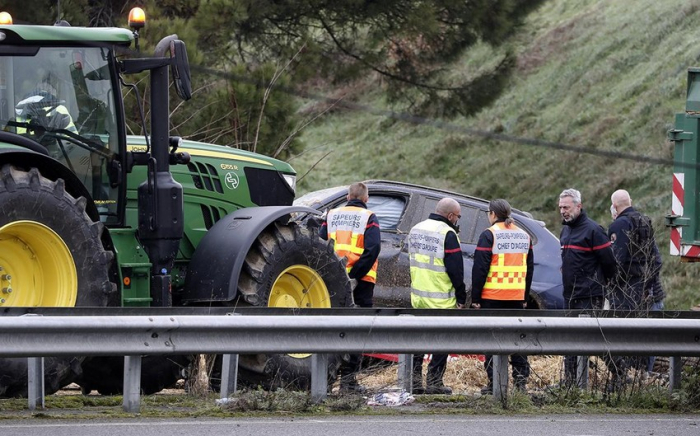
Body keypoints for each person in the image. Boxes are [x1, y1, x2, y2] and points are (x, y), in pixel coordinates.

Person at [320, 181, 381, 393]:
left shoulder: (331, 215)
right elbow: (373, 249)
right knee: (358, 329)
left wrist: (337, 274)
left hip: (331, 280)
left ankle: (324, 379)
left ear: (348, 196)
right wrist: (354, 276)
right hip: (361, 282)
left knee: (330, 327)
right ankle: (348, 380)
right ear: (365, 199)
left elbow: (320, 245)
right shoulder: (369, 217)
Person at [471, 199, 534, 395]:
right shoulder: (524, 236)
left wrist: (476, 298)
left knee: (493, 341)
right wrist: (524, 296)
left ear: (492, 214)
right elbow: (529, 269)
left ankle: (495, 383)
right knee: (517, 340)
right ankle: (520, 382)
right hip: (515, 297)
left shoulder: (489, 235)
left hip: (492, 296)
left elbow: (480, 269)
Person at [407, 197, 467, 395]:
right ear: (450, 216)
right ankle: (434, 382)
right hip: (441, 299)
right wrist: (461, 296)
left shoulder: (417, 228)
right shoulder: (447, 234)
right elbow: (455, 269)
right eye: (457, 217)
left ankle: (414, 382)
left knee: (418, 341)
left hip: (418, 297)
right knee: (442, 341)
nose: (457, 220)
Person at [558, 188, 616, 387]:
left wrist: (600, 284)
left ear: (579, 206)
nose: (563, 211)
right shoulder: (565, 230)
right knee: (569, 340)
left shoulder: (593, 230)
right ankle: (570, 382)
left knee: (595, 339)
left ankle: (620, 374)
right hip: (570, 295)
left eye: (566, 207)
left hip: (590, 295)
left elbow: (609, 263)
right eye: (560, 208)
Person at [609, 189, 666, 374]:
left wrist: (613, 286)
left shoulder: (619, 225)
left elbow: (617, 262)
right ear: (630, 201)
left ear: (615, 207)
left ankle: (629, 379)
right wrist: (647, 285)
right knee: (649, 340)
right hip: (652, 293)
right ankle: (644, 378)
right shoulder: (645, 222)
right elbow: (656, 260)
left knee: (627, 339)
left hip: (629, 295)